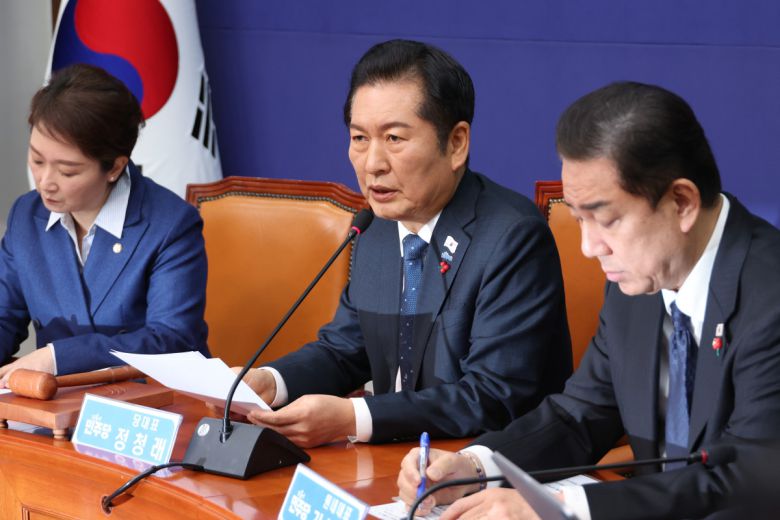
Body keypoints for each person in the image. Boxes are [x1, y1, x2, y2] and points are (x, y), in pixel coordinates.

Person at [397, 82, 780, 519]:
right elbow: (578, 415)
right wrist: (473, 467)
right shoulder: (638, 281)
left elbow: (746, 481)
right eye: (580, 220)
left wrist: (560, 509)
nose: (588, 248)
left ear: (682, 202)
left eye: (607, 220)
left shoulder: (769, 299)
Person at [237, 39, 572, 447]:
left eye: (394, 138)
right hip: (394, 457)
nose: (373, 163)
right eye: (359, 138)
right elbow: (346, 349)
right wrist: (270, 382)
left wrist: (353, 417)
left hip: (483, 462)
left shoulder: (512, 237)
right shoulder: (377, 228)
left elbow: (491, 396)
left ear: (456, 143)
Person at [0, 63, 209, 384]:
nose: (45, 182)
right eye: (37, 160)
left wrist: (58, 358)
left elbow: (172, 338)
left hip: (151, 399)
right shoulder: (26, 215)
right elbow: (4, 316)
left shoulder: (171, 225)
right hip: (57, 400)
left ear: (114, 167)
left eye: (67, 171)